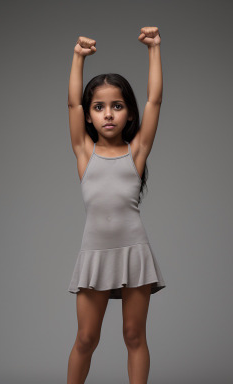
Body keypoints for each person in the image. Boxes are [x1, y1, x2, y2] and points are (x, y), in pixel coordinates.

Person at [66, 26, 165, 384]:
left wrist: (154, 48)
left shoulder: (135, 152)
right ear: (89, 115)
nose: (108, 114)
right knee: (86, 339)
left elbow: (154, 100)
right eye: (99, 107)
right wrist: (78, 58)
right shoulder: (84, 152)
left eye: (117, 106)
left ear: (129, 114)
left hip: (133, 252)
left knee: (134, 336)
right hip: (95, 253)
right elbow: (72, 102)